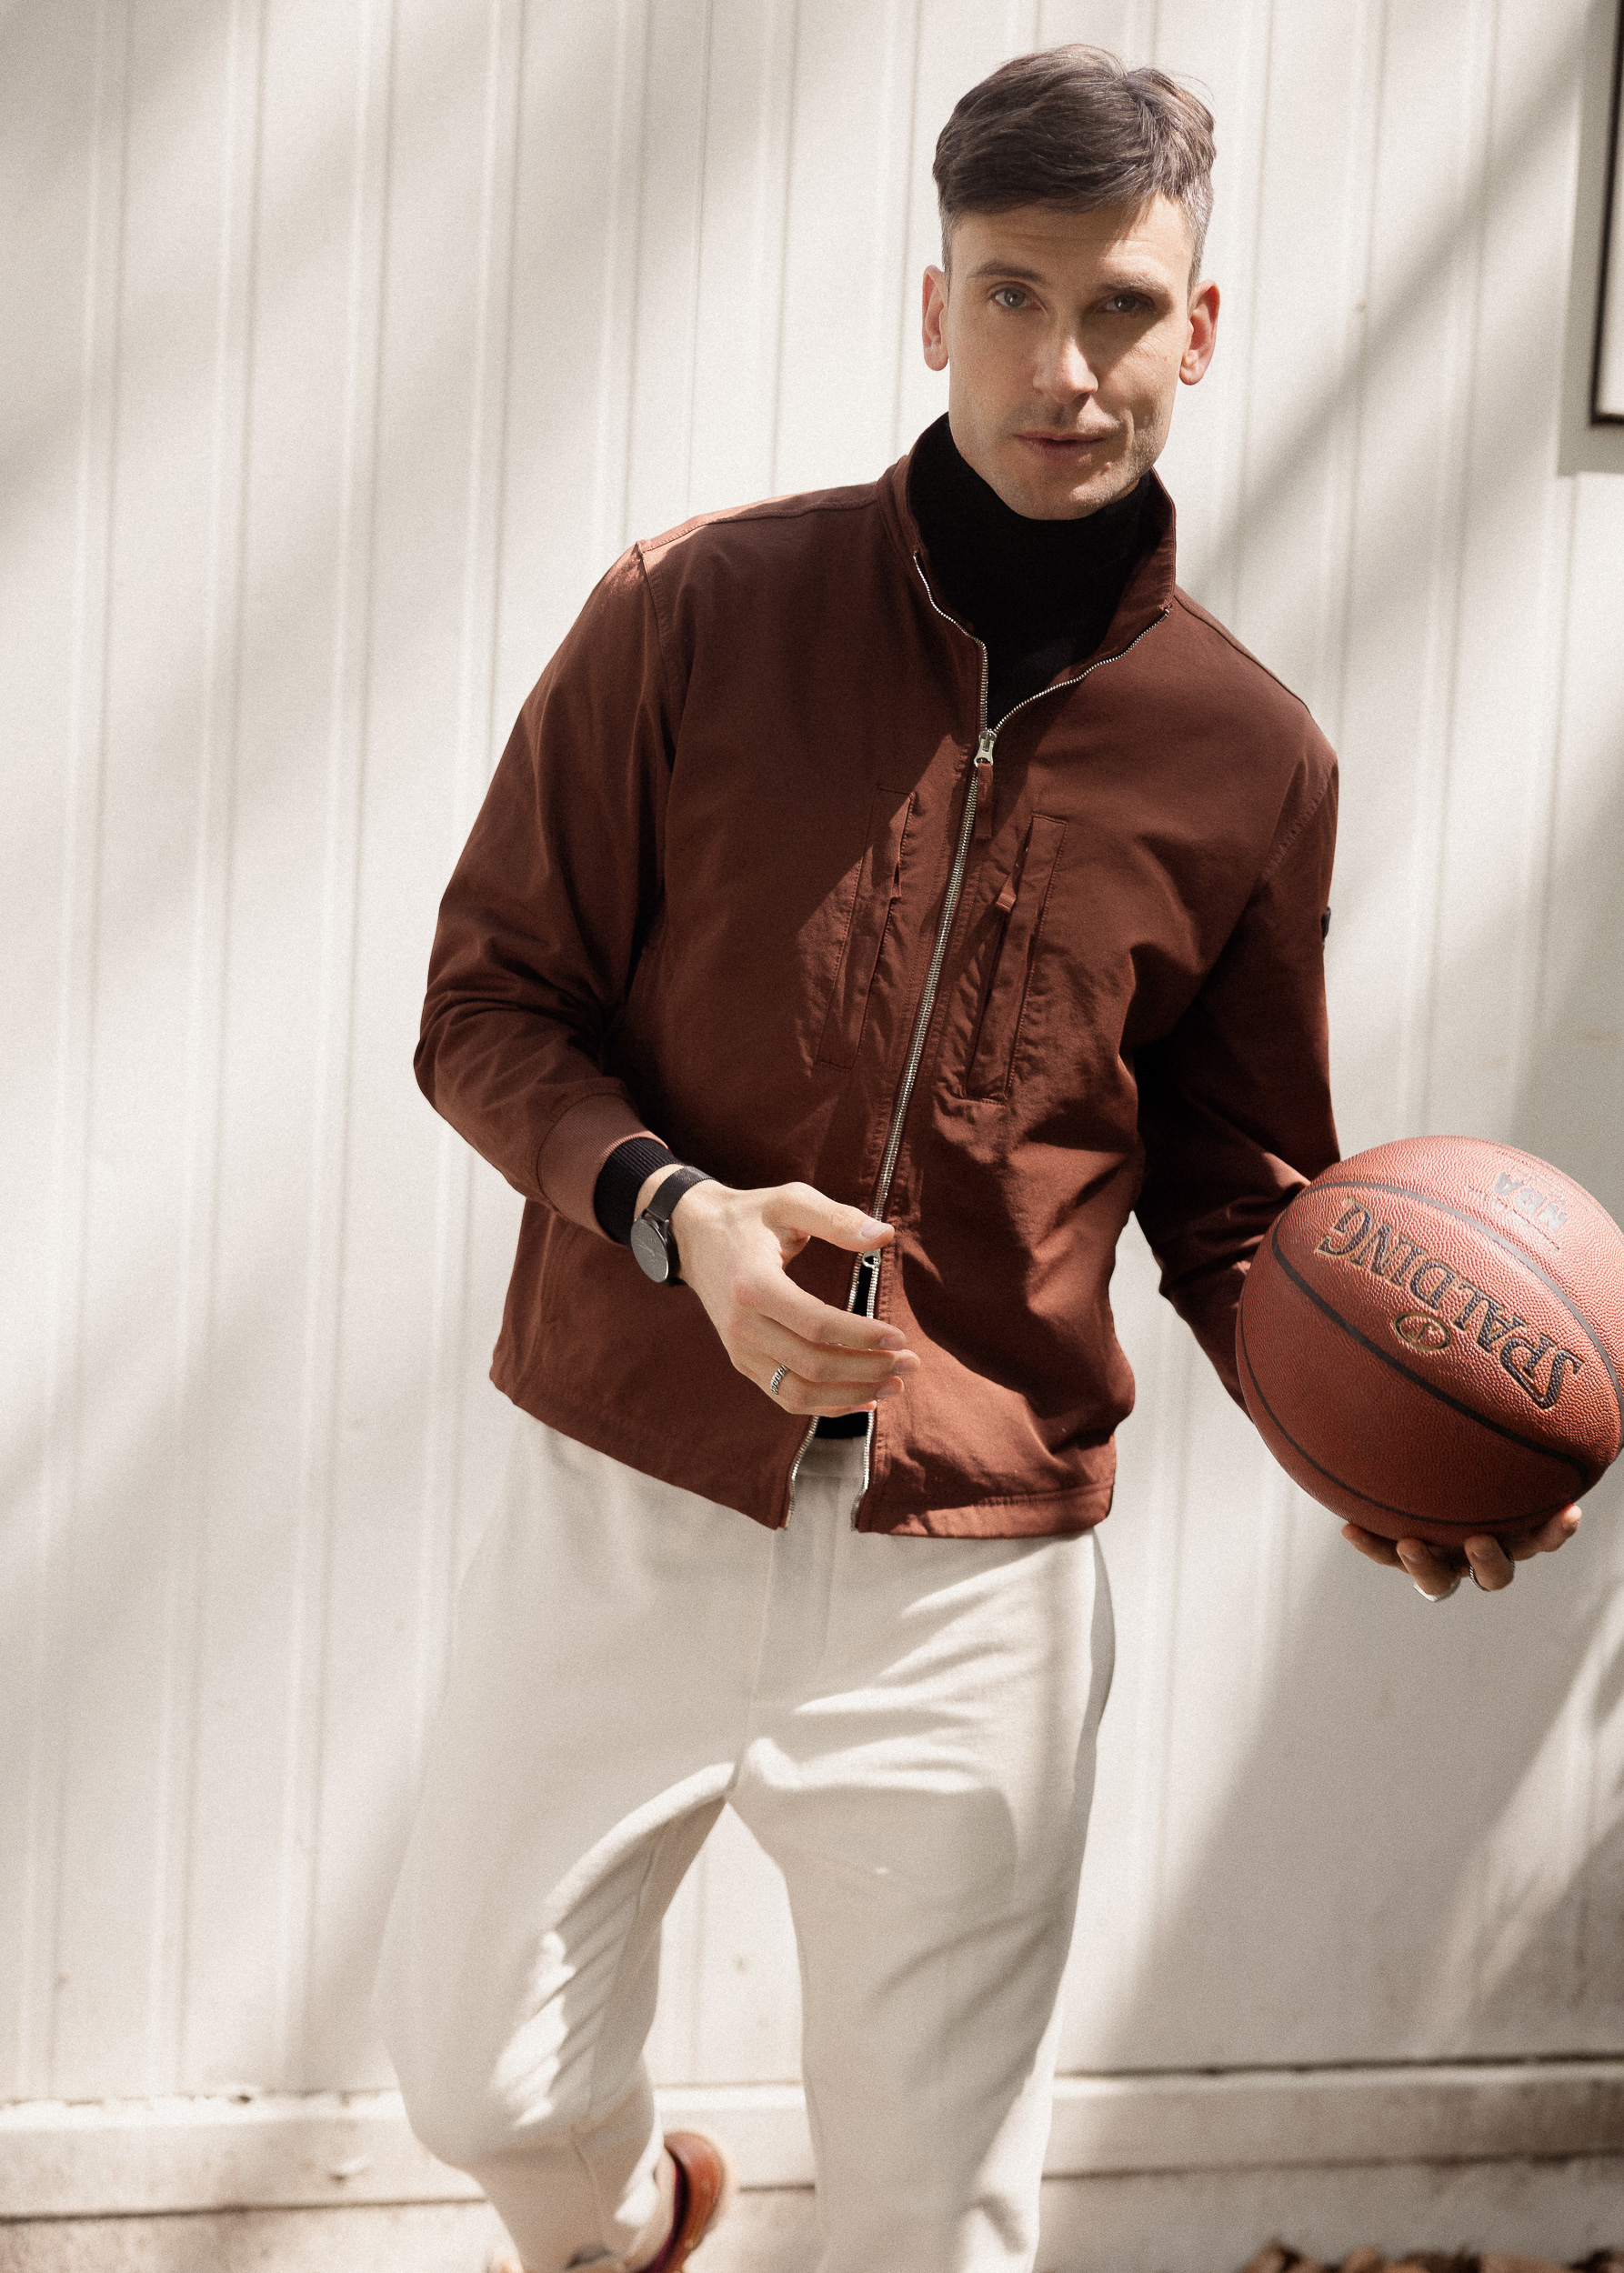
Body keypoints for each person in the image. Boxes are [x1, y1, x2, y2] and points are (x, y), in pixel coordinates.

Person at [373, 45, 1579, 2273]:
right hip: (626, 1483)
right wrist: (678, 1218)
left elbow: (1237, 1196)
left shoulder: (1247, 758)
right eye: (1011, 296)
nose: (1063, 365)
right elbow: (485, 1002)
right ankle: (633, 2226)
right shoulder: (688, 612)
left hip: (975, 1571)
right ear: (934, 307)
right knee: (485, 2082)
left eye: (1117, 307)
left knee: (934, 2218)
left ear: (1196, 327)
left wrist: (1373, 1437)